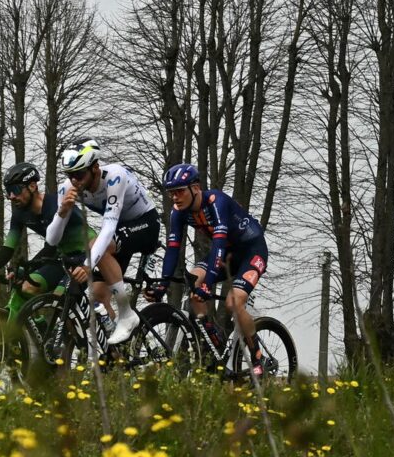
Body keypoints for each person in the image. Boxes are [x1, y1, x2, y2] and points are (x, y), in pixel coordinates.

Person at [156, 162, 272, 370]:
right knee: (193, 282)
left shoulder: (215, 201)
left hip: (251, 250)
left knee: (233, 303)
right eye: (171, 193)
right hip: (226, 252)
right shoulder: (178, 212)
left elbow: (218, 242)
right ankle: (213, 343)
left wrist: (208, 284)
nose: (175, 197)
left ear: (196, 188)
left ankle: (257, 355)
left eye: (180, 191)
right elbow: (173, 248)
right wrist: (163, 284)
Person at [51, 139, 158, 345]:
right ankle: (118, 354)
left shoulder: (115, 176)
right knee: (98, 296)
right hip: (120, 231)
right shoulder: (68, 188)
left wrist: (87, 264)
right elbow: (52, 239)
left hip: (145, 223)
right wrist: (61, 213)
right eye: (70, 175)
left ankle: (127, 314)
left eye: (80, 174)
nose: (75, 181)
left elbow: (108, 228)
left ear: (95, 168)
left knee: (96, 247)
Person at [0, 160, 90, 322]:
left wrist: (30, 265)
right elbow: (7, 249)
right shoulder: (20, 214)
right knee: (27, 287)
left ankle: (76, 341)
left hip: (87, 256)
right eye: (8, 191)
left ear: (32, 186)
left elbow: (51, 247)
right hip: (62, 258)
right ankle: (37, 334)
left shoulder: (54, 205)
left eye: (15, 190)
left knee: (60, 298)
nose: (11, 196)